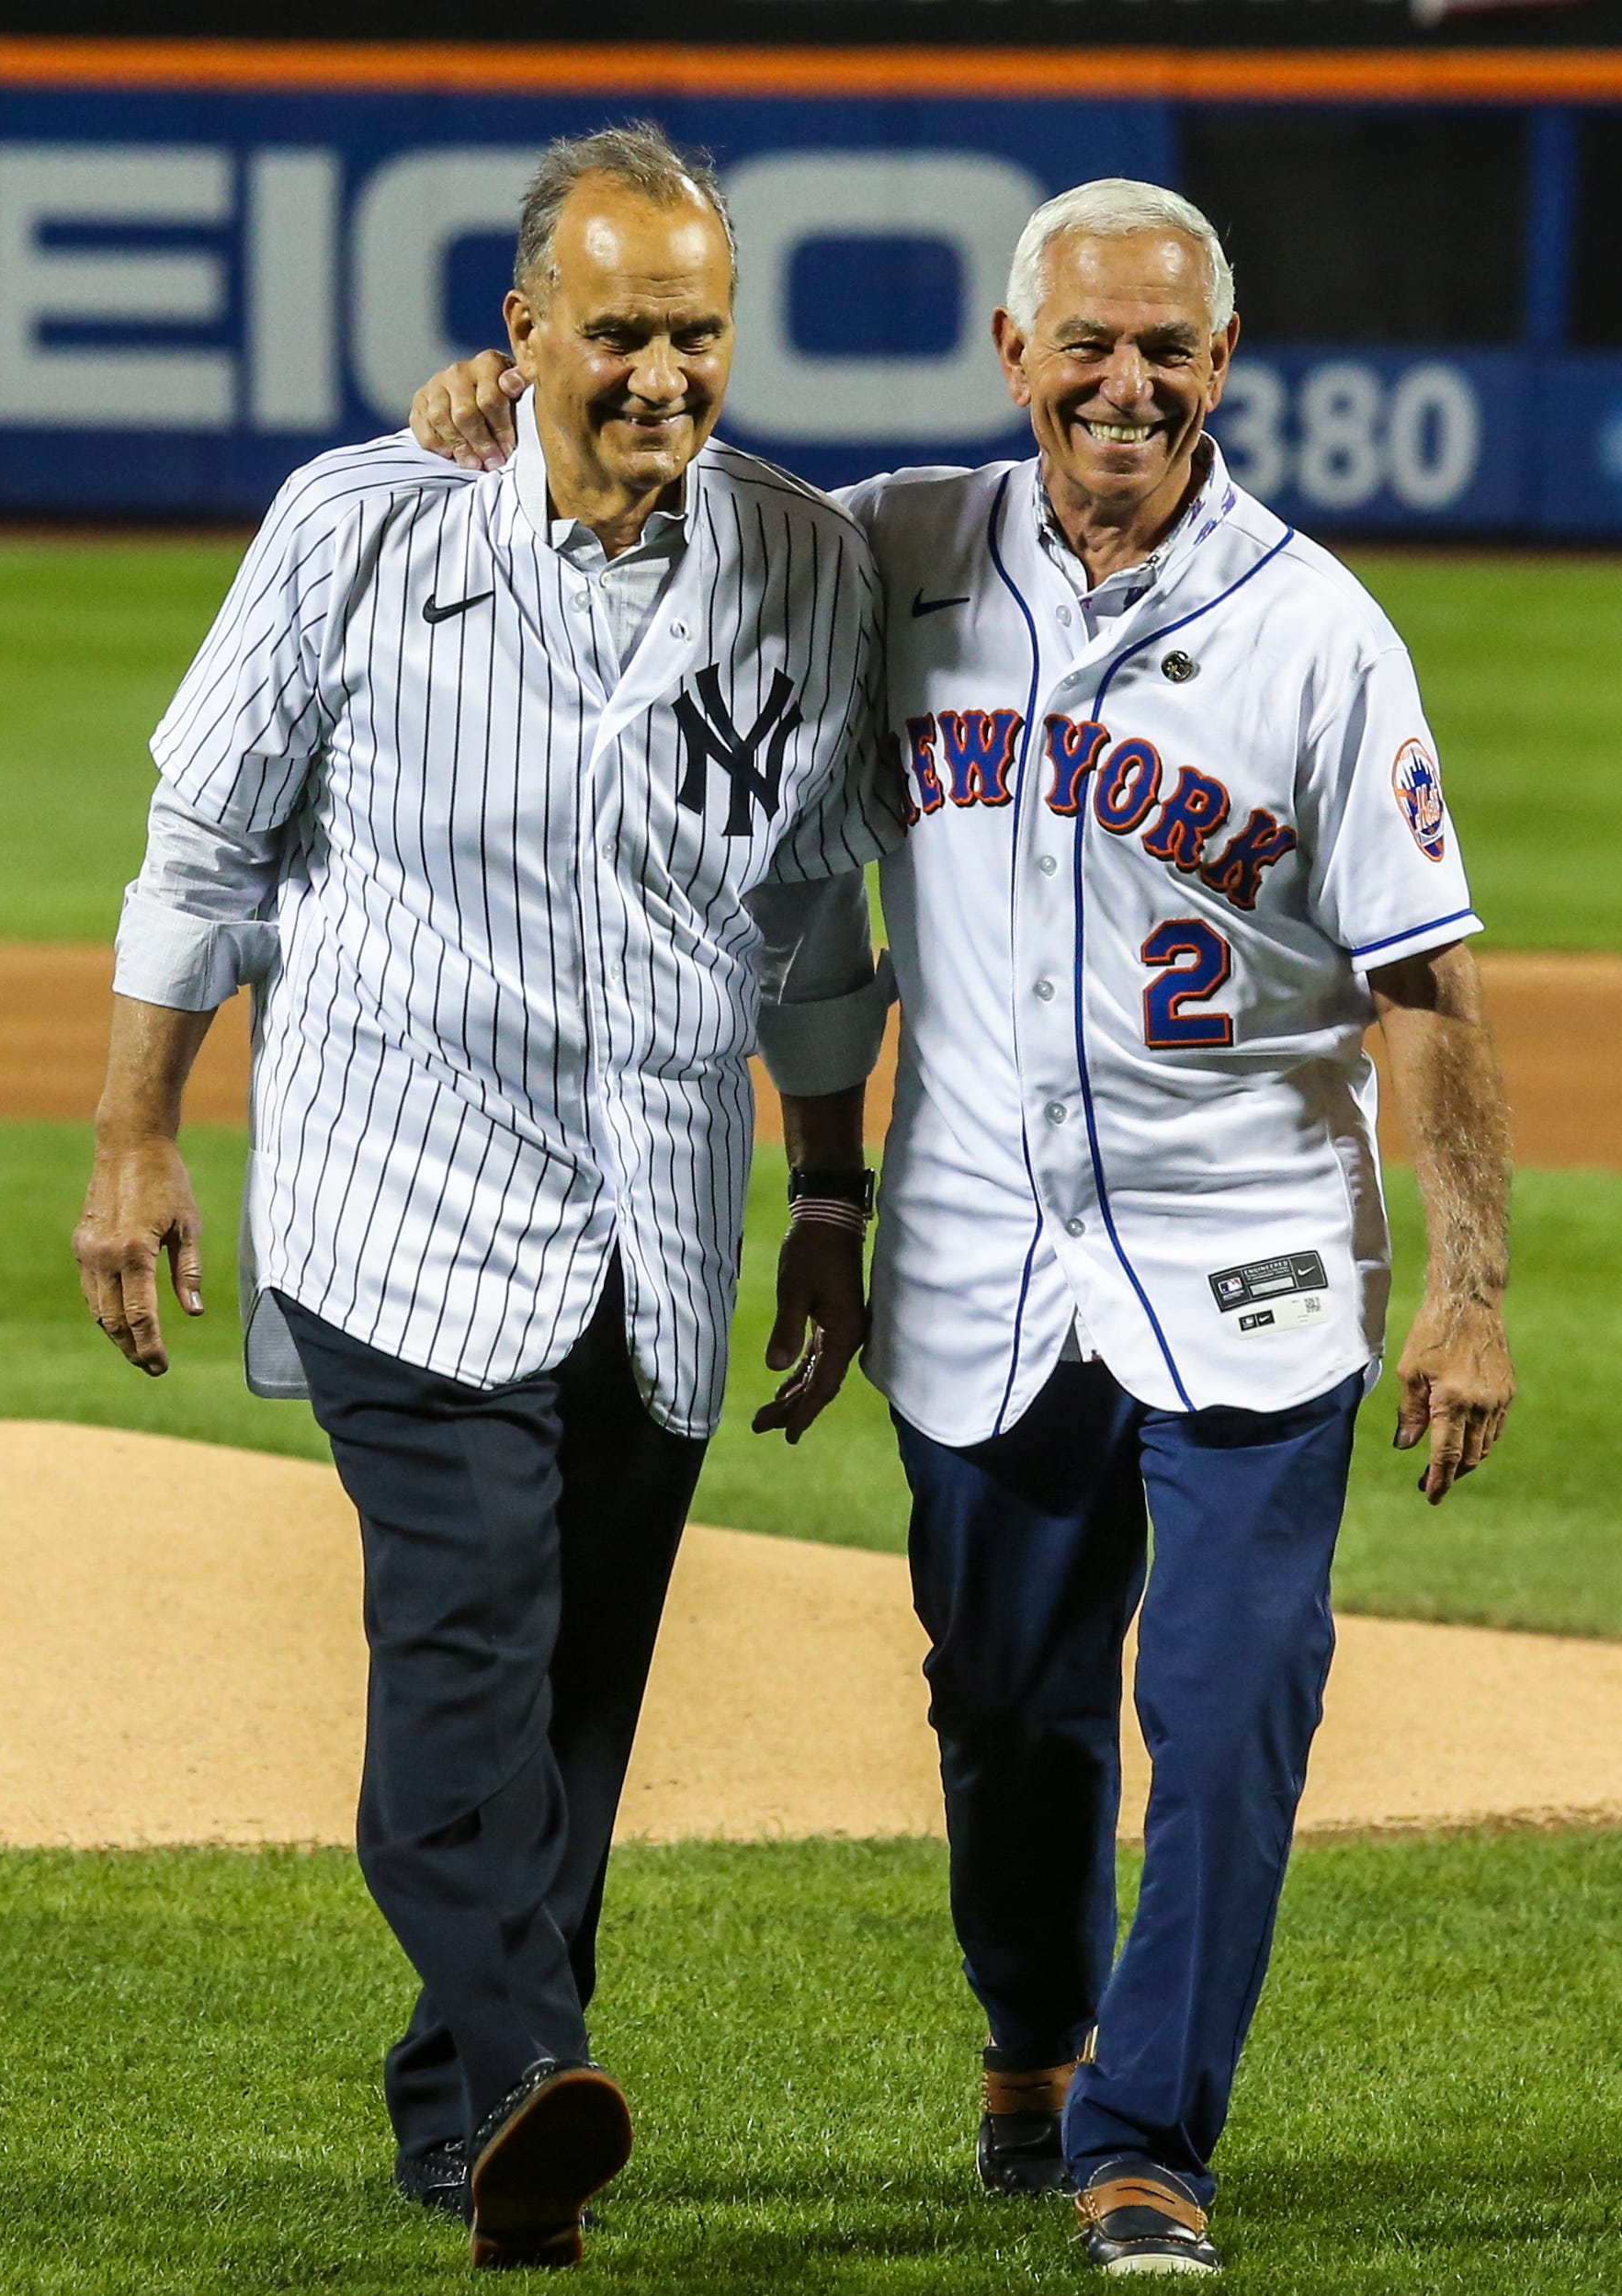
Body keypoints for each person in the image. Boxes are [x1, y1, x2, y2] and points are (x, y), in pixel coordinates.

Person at [414, 174, 1514, 2277]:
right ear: (1012, 354)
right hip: (980, 1258)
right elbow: (665, 480)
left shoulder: (1314, 630)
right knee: (1004, 1704)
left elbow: (1421, 991)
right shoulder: (895, 553)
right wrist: (491, 398)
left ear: (1221, 360)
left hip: (1249, 1254)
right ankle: (1034, 2041)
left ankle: (1145, 2140)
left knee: (1235, 1689)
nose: (1123, 382)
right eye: (1083, 342)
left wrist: (1464, 1289)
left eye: (1164, 346)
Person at [74, 124, 901, 2272]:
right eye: (615, 328)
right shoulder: (359, 531)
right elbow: (205, 849)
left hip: (655, 1229)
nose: (659, 371)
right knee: (465, 1648)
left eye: (694, 330)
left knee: (577, 1699)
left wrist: (829, 1192)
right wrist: (134, 1135)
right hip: (397, 1203)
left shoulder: (801, 567)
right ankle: (542, 2066)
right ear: (519, 330)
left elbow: (814, 914)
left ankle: (472, 2130)